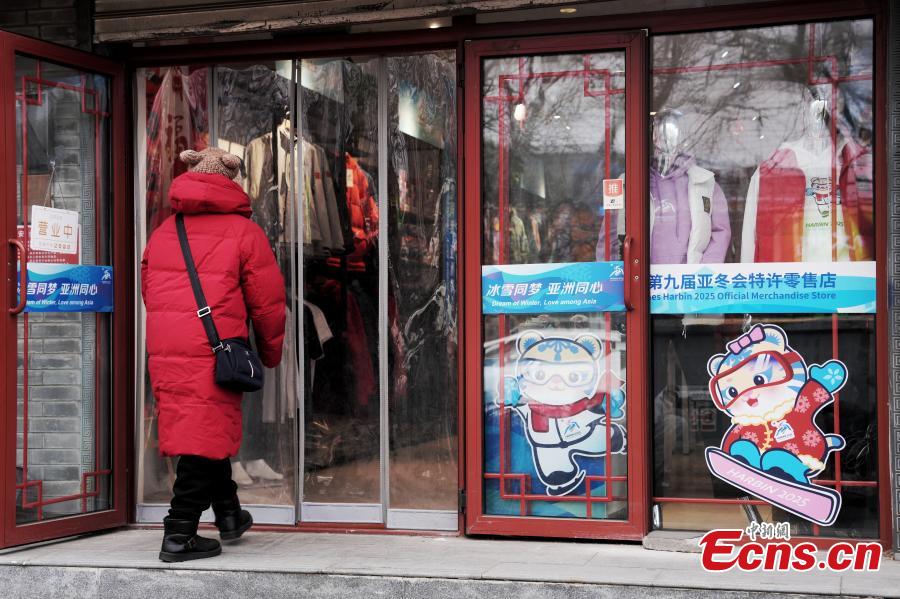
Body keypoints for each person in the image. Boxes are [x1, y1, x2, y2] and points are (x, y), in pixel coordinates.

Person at [141, 147, 286, 562]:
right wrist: (270, 353)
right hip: (214, 346)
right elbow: (268, 303)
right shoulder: (244, 233)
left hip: (168, 346)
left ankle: (229, 514)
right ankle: (179, 533)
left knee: (204, 428)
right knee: (202, 435)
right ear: (230, 183)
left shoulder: (165, 231)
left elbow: (150, 289)